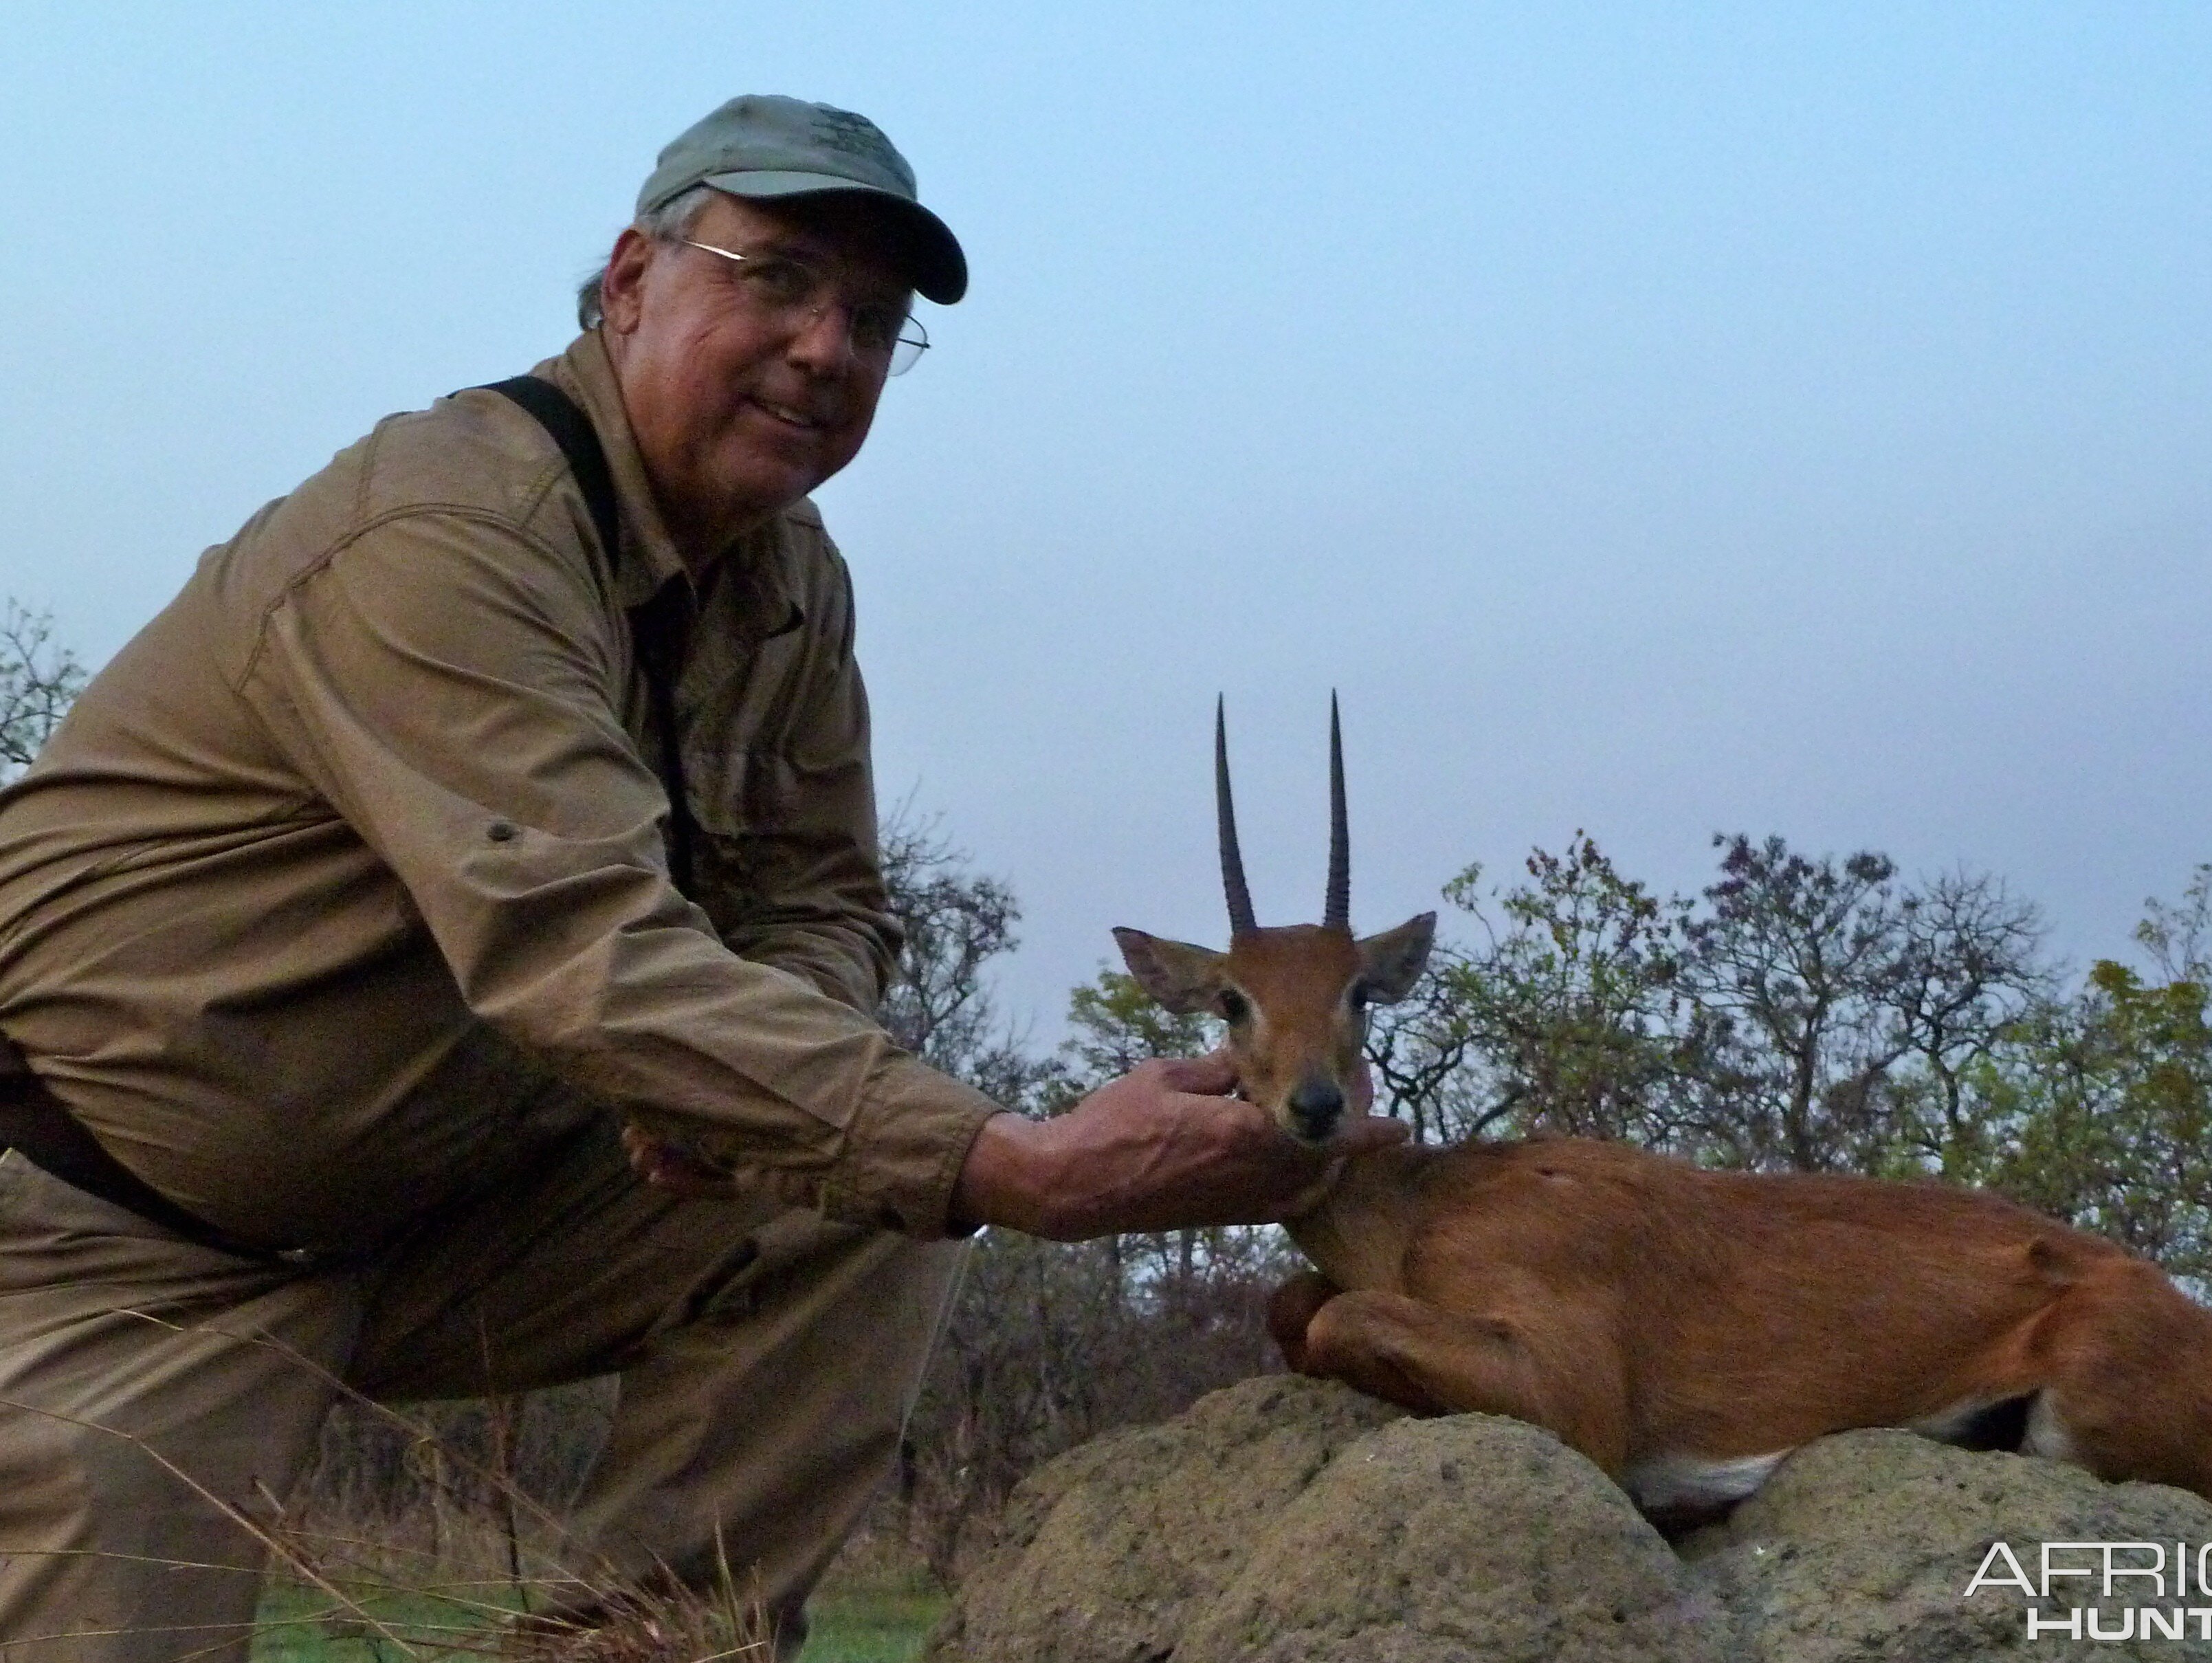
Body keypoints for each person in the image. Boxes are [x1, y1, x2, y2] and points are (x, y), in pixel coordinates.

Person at [0, 94, 1401, 1658]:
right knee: (931, 1152)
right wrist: (1022, 1167)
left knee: (862, 1189)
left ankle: (643, 1644)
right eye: (778, 276)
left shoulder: (793, 586)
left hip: (434, 1224)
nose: (827, 347)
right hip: (110, 1240)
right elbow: (577, 952)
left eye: (873, 320)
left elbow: (826, 902)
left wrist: (726, 1091)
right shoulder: (448, 528)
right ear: (628, 281)